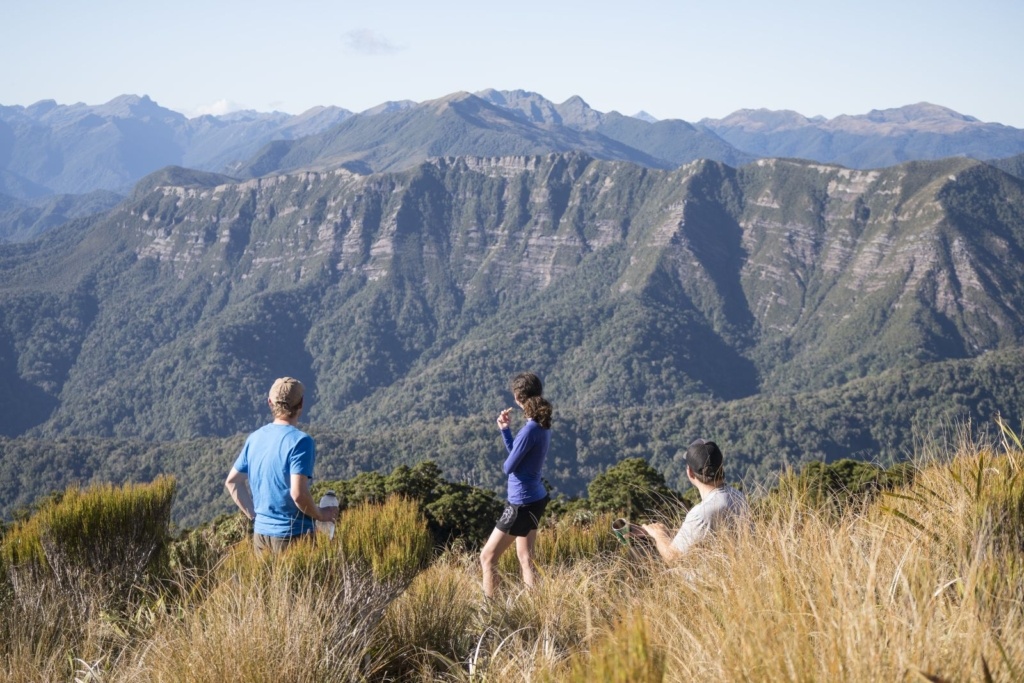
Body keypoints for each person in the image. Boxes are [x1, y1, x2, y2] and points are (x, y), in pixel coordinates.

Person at [224, 377, 338, 553]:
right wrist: (321, 515)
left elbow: (232, 482)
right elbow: (298, 494)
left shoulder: (255, 438)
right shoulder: (301, 441)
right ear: (301, 404)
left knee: (268, 582)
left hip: (260, 536)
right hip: (293, 536)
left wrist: (256, 517)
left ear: (270, 402)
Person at [480, 372, 553, 598]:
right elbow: (518, 456)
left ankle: (491, 613)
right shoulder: (541, 425)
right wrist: (505, 431)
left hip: (520, 503)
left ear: (518, 396)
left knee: (488, 557)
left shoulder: (530, 429)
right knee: (526, 559)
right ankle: (537, 607)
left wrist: (506, 433)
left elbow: (509, 466)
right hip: (536, 499)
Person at [642, 438, 748, 564]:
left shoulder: (701, 513)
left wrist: (659, 534)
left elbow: (671, 557)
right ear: (721, 466)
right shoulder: (737, 495)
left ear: (690, 473)